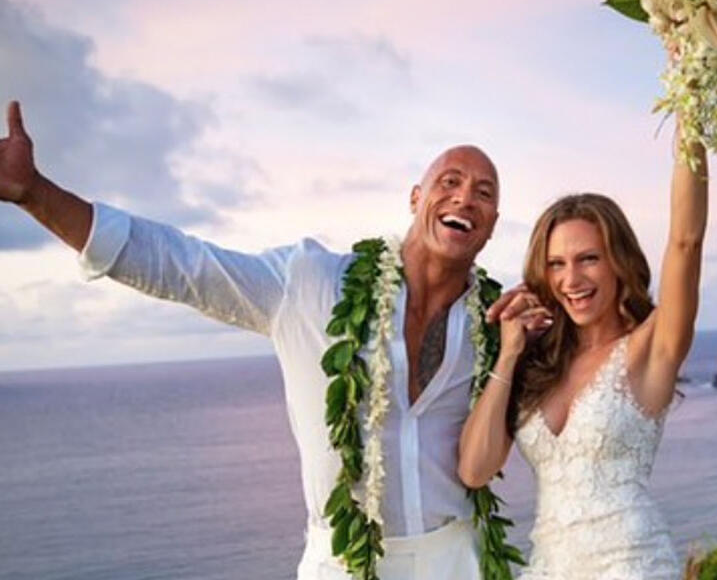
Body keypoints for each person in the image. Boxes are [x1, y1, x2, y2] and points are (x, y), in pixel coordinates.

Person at [0, 100, 537, 580]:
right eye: (450, 181)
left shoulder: (496, 324)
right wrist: (36, 195)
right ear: (417, 197)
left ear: (491, 224)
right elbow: (184, 265)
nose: (465, 197)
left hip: (458, 560)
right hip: (343, 565)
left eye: (483, 193)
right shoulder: (310, 282)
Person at [458, 117, 708, 579]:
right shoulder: (536, 364)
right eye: (556, 264)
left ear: (619, 261)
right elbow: (475, 469)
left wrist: (688, 109)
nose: (571, 280)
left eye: (588, 258)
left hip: (633, 566)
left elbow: (686, 241)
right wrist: (509, 354)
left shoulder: (650, 347)